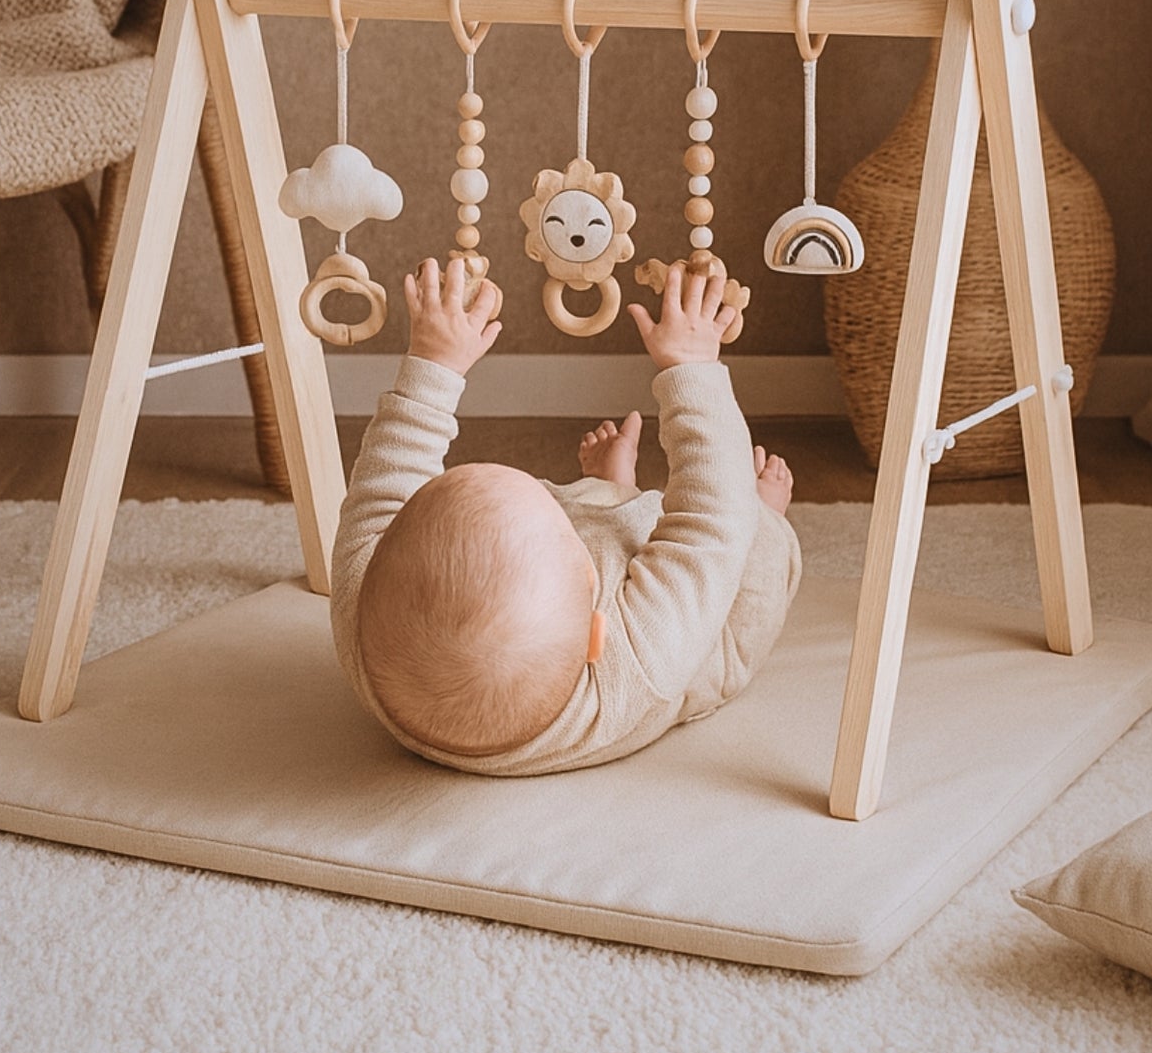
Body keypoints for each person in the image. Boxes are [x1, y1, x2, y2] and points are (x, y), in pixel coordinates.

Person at [329, 256, 802, 775]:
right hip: (684, 646)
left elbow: (385, 482)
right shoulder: (641, 657)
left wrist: (434, 361)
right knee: (747, 556)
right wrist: (691, 367)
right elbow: (712, 522)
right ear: (598, 630)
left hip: (550, 600)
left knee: (520, 538)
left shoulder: (363, 604)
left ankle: (608, 490)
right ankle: (765, 515)